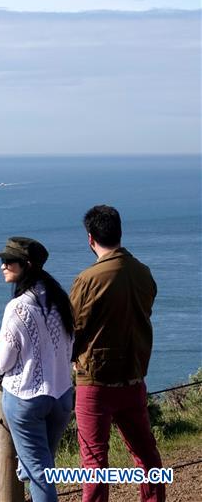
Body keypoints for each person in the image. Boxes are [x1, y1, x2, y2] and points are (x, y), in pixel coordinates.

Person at [70, 205, 164, 502]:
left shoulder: (88, 279)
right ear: (119, 232)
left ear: (90, 238)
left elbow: (71, 329)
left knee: (94, 462)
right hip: (133, 376)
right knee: (146, 454)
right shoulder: (143, 273)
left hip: (95, 382)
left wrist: (72, 359)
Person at [0, 237, 74, 502]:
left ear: (25, 265)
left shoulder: (17, 307)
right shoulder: (60, 301)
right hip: (61, 397)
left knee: (39, 474)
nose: (2, 266)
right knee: (42, 467)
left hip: (26, 400)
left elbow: (1, 363)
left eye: (8, 261)